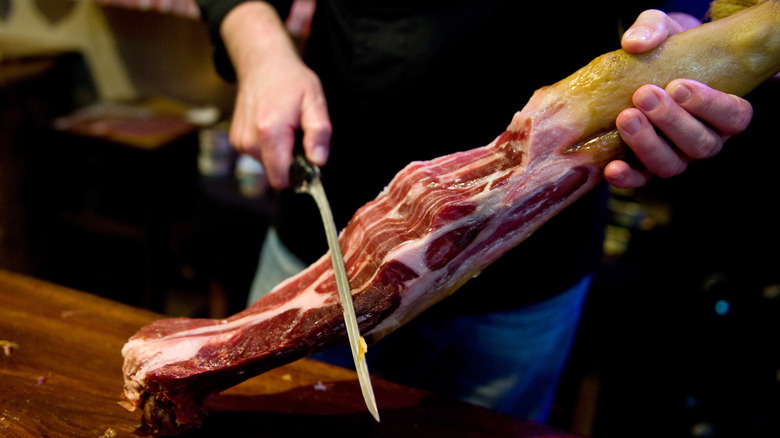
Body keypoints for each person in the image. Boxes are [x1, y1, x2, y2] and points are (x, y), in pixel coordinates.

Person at [195, 0, 754, 422]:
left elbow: (693, 13)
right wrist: (262, 50)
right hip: (327, 244)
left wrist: (686, 39)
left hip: (533, 251)